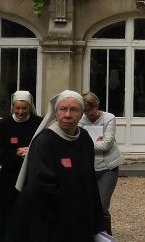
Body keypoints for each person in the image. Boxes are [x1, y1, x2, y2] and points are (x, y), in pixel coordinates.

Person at [8, 90, 104, 242]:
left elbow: (90, 180)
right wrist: (74, 208)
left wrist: (97, 222)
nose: (67, 115)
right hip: (53, 222)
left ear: (81, 114)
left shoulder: (84, 139)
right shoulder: (44, 141)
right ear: (56, 112)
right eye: (63, 109)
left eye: (74, 110)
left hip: (79, 219)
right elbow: (41, 189)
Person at [0, 91, 42, 242]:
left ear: (30, 107)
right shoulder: (4, 124)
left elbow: (45, 146)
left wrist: (31, 151)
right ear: (12, 106)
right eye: (17, 108)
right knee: (8, 212)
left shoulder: (38, 123)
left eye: (24, 108)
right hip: (10, 176)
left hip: (32, 175)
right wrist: (17, 154)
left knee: (31, 212)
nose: (20, 112)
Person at [80, 92, 121, 236]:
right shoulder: (81, 119)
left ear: (96, 106)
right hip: (87, 168)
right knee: (87, 204)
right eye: (85, 111)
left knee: (102, 205)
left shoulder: (109, 118)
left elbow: (106, 145)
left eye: (90, 110)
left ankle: (106, 236)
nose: (88, 114)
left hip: (107, 168)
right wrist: (95, 142)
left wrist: (85, 143)